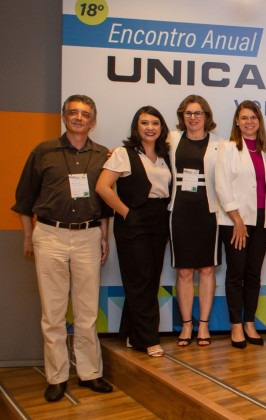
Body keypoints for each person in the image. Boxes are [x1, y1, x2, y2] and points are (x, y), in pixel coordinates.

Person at [12, 94, 114, 402]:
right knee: (53, 313)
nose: (79, 118)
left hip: (88, 236)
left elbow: (105, 202)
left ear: (92, 120)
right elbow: (24, 198)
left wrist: (104, 236)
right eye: (73, 112)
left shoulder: (102, 155)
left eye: (85, 114)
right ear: (64, 116)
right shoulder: (43, 151)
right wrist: (28, 236)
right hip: (50, 235)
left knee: (86, 312)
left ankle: (89, 373)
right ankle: (56, 377)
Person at [95, 106, 171, 358]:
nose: (150, 127)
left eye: (155, 123)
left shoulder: (164, 154)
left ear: (162, 128)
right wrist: (126, 212)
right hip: (134, 220)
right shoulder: (122, 153)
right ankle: (149, 339)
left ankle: (131, 333)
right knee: (139, 279)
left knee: (149, 279)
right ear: (136, 127)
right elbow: (103, 187)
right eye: (145, 123)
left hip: (160, 218)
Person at [216, 100, 266, 349]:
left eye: (253, 117)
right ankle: (236, 326)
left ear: (259, 121)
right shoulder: (227, 148)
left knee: (253, 274)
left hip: (262, 221)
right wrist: (237, 221)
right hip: (235, 222)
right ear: (237, 122)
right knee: (236, 274)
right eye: (244, 117)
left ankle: (249, 322)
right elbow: (221, 185)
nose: (249, 122)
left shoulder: (265, 150)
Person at [168, 95, 224, 347]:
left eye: (198, 113)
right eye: (188, 113)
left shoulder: (219, 144)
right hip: (179, 210)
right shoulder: (170, 139)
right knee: (184, 271)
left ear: (206, 116)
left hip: (208, 211)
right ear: (182, 116)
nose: (193, 117)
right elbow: (143, 148)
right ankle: (186, 325)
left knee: (207, 269)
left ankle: (203, 325)